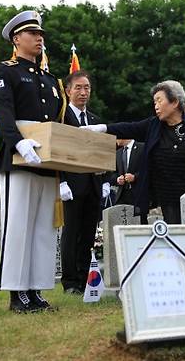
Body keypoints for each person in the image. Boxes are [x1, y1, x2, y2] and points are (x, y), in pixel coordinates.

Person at [0, 10, 66, 313]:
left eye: (41, 34)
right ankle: (16, 292)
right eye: (33, 34)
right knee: (18, 225)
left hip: (46, 162)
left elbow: (58, 119)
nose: (39, 38)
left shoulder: (48, 78)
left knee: (42, 229)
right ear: (16, 38)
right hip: (18, 158)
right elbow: (2, 110)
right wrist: (17, 139)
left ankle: (35, 289)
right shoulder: (5, 71)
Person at [81, 80, 185, 224]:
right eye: (154, 102)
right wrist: (103, 128)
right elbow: (129, 128)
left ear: (175, 102)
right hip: (166, 195)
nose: (156, 106)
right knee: (174, 234)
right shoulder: (154, 125)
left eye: (159, 101)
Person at [58, 70, 113, 295]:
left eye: (87, 88)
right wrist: (61, 181)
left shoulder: (95, 120)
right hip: (70, 185)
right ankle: (70, 281)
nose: (83, 92)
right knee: (71, 233)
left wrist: (106, 180)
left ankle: (83, 278)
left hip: (93, 184)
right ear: (68, 90)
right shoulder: (61, 118)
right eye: (78, 88)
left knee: (89, 233)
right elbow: (58, 151)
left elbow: (102, 152)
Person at [112, 138, 145, 222]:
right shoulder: (118, 153)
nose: (114, 139)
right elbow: (112, 174)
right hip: (122, 194)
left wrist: (135, 177)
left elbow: (149, 169)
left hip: (138, 194)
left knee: (140, 222)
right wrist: (117, 179)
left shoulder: (142, 147)